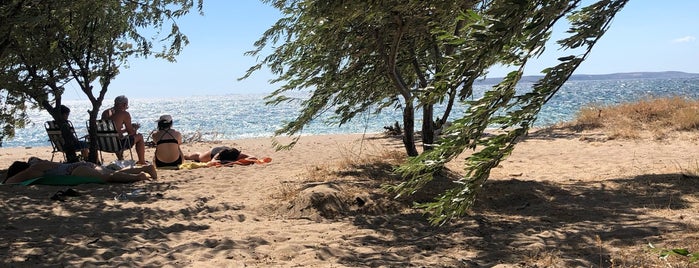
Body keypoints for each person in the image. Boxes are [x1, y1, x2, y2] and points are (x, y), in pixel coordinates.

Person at [2, 157, 157, 184]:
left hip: (75, 171)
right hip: (80, 165)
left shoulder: (32, 169)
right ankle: (144, 168)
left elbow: (10, 181)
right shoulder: (35, 162)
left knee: (108, 177)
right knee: (107, 172)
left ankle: (139, 176)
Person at [101, 95, 147, 165]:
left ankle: (120, 159)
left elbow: (113, 131)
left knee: (116, 137)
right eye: (127, 106)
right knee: (140, 136)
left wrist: (125, 130)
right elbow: (131, 133)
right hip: (118, 145)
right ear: (125, 104)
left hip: (104, 144)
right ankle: (142, 161)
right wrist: (135, 128)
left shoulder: (105, 113)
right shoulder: (124, 114)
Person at [184, 146, 249, 163]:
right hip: (212, 153)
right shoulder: (219, 154)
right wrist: (227, 162)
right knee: (199, 157)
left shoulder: (238, 154)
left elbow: (253, 157)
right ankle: (185, 156)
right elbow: (213, 161)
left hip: (225, 150)